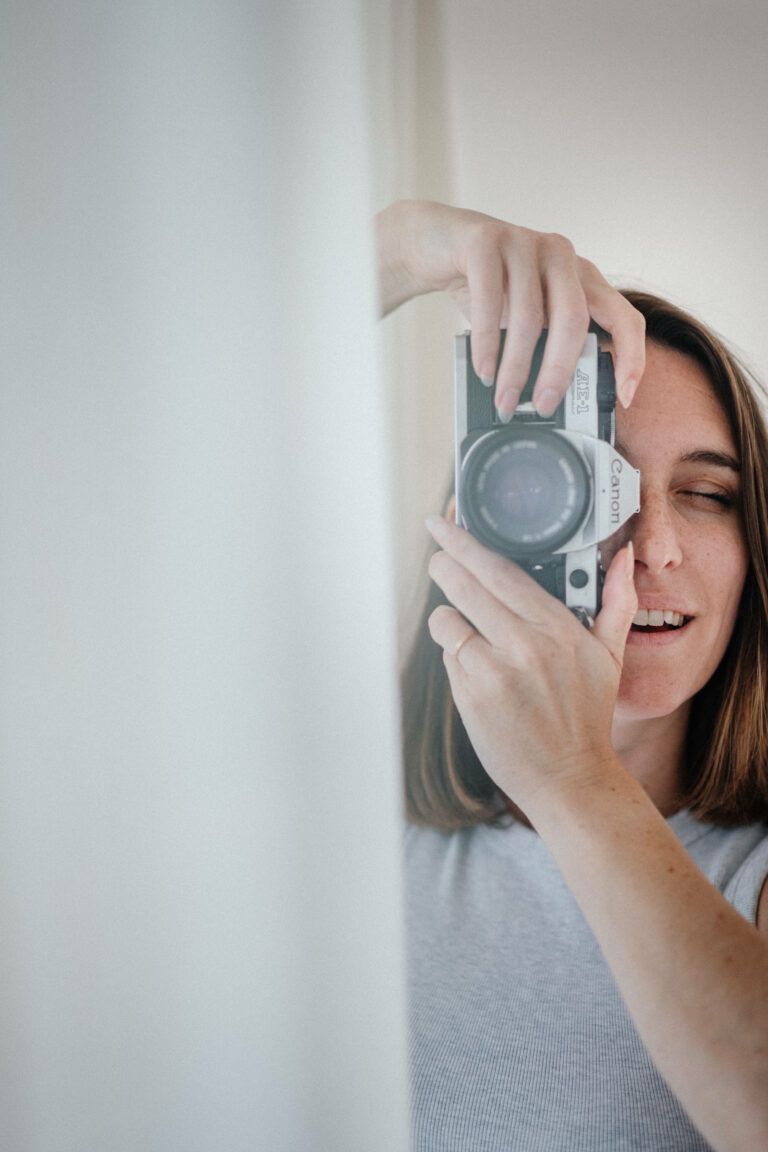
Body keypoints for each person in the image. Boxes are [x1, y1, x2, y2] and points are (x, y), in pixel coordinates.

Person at [377, 200, 768, 1151]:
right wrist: (396, 248)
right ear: (490, 513)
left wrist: (573, 779)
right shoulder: (360, 838)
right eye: (596, 485)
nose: (654, 549)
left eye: (708, 494)